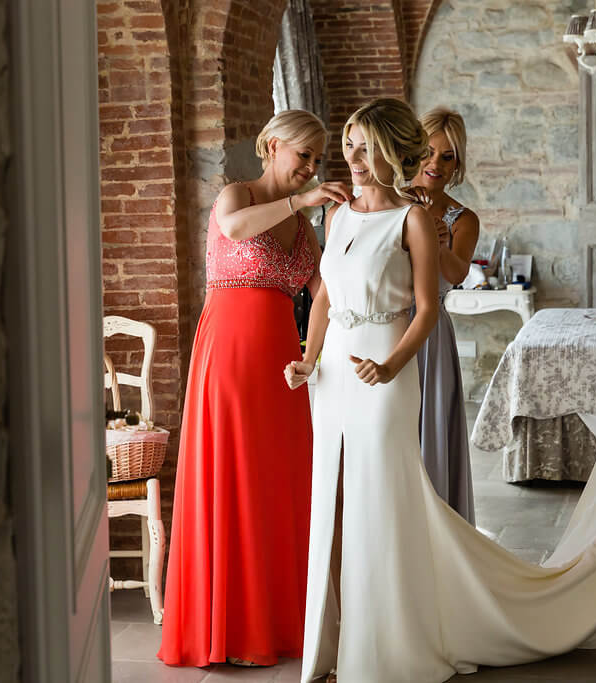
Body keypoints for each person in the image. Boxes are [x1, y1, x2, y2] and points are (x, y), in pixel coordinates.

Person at [284, 99, 596, 683]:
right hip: (331, 377)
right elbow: (325, 296)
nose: (352, 158)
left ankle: (382, 646)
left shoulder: (411, 219)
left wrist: (391, 365)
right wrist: (307, 359)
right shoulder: (336, 217)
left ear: (390, 153)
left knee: (382, 499)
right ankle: (332, 646)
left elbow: (429, 308)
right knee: (331, 502)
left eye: (365, 146)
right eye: (349, 144)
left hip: (384, 373)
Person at [159, 109, 353, 668]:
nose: (312, 168)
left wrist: (313, 353)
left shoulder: (304, 229)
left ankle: (277, 622)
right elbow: (235, 231)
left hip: (281, 361)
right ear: (271, 146)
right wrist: (304, 201)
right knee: (232, 473)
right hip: (230, 353)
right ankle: (225, 628)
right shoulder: (235, 196)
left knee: (279, 479)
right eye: (305, 156)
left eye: (318, 160)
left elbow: (323, 292)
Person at [407, 107, 479, 523]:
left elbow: (457, 273)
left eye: (447, 156)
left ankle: (436, 529)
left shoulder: (461, 218)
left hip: (431, 337)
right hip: (389, 324)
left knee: (429, 432)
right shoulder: (390, 199)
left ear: (457, 164)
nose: (435, 164)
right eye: (428, 152)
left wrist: (438, 242)